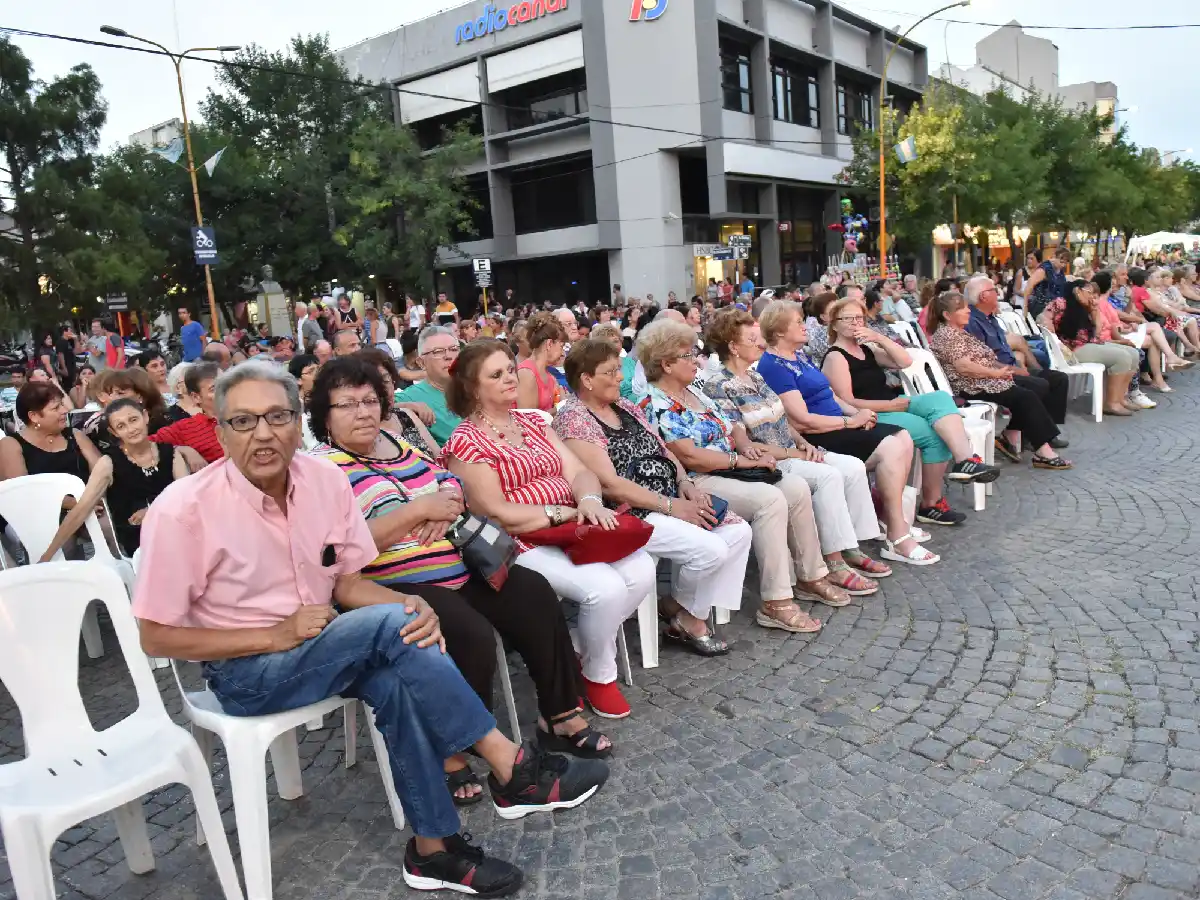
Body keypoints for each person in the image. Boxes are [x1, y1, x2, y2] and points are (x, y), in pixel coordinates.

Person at [132, 360, 607, 896]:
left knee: (397, 667)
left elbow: (350, 583)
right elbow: (156, 637)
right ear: (219, 430)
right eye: (243, 421)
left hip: (323, 644)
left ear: (297, 422)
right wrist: (274, 635)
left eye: (276, 417)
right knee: (391, 625)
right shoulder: (183, 509)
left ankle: (434, 850)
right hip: (246, 671)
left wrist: (410, 606)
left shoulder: (322, 481)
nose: (262, 433)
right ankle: (510, 766)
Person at [310, 357, 614, 787]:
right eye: (346, 404)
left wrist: (445, 504)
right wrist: (416, 511)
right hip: (393, 582)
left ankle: (559, 715)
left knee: (532, 591)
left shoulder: (395, 444)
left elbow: (446, 479)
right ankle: (453, 744)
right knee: (466, 631)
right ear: (324, 414)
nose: (362, 412)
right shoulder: (321, 469)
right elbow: (337, 550)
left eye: (368, 401)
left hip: (459, 562)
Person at [442, 341, 656, 720]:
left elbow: (579, 471)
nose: (510, 377)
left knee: (641, 571)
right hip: (520, 540)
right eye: (496, 374)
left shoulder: (534, 421)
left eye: (510, 368)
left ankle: (578, 647)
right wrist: (559, 512)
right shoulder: (466, 442)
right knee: (603, 589)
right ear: (472, 388)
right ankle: (598, 675)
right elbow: (496, 512)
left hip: (574, 524)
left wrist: (589, 500)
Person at [636, 318, 852, 632]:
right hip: (695, 480)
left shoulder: (693, 391)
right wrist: (739, 460)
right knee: (769, 499)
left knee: (795, 487)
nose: (697, 359)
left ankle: (810, 575)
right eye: (688, 355)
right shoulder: (654, 402)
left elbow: (732, 424)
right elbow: (688, 455)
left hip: (728, 467)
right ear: (666, 364)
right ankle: (776, 601)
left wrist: (746, 446)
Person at [555, 339, 753, 655]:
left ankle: (683, 612)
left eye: (619, 369)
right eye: (610, 372)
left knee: (739, 531)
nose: (620, 377)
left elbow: (663, 450)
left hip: (669, 495)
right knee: (712, 549)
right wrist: (673, 506)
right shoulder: (575, 417)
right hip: (630, 511)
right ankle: (691, 622)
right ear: (586, 380)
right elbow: (609, 484)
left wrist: (684, 481)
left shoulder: (626, 406)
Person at [702, 309, 893, 594]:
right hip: (770, 459)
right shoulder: (720, 385)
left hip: (792, 449)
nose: (760, 344)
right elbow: (743, 442)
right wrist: (795, 454)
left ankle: (850, 545)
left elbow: (781, 417)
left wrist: (802, 441)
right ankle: (835, 560)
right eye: (752, 339)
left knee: (852, 467)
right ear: (733, 346)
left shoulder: (755, 378)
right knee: (827, 476)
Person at [755, 300, 937, 566]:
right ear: (780, 331)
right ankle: (897, 534)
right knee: (893, 445)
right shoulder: (773, 366)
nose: (805, 326)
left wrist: (854, 413)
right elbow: (802, 420)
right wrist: (850, 422)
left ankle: (890, 519)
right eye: (798, 322)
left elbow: (829, 394)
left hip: (836, 423)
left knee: (902, 438)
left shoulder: (798, 356)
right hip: (820, 433)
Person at [822, 297, 1000, 526]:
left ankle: (965, 460)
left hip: (894, 401)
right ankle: (931, 504)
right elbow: (847, 402)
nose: (855, 322)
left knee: (940, 398)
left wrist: (879, 337)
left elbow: (904, 361)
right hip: (872, 413)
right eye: (848, 318)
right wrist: (891, 406)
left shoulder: (866, 348)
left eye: (859, 317)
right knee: (932, 433)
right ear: (834, 324)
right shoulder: (836, 357)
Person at [40, 398, 205, 557]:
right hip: (139, 539)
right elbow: (82, 508)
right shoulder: (108, 463)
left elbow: (184, 498)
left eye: (134, 420)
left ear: (145, 417)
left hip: (176, 528)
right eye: (121, 425)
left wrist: (153, 510)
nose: (131, 428)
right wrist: (47, 555)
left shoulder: (170, 453)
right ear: (114, 432)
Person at [927, 291, 1072, 471]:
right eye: (961, 308)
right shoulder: (948, 335)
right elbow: (964, 367)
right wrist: (995, 374)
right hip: (971, 385)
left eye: (965, 306)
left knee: (1038, 385)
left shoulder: (959, 332)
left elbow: (984, 358)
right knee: (1026, 396)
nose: (967, 311)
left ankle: (1016, 433)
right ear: (947, 315)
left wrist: (1005, 370)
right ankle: (1043, 451)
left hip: (984, 379)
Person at [963, 277, 1069, 440]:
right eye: (993, 290)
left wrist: (1019, 362)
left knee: (1059, 379)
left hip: (1011, 366)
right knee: (1039, 385)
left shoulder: (989, 318)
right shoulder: (972, 321)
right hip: (997, 373)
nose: (998, 293)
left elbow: (1006, 346)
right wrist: (1013, 368)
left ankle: (1045, 431)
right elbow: (983, 358)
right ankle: (1036, 433)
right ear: (983, 296)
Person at [1041, 279, 1141, 417]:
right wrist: (1051, 331)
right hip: (1073, 349)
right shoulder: (1061, 302)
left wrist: (1094, 311)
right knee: (1122, 357)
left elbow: (1097, 333)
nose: (1092, 296)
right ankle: (1111, 403)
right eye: (1089, 292)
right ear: (1077, 291)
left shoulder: (1086, 307)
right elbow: (1043, 317)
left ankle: (1120, 398)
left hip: (1088, 343)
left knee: (1133, 353)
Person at [0, 381, 99, 481]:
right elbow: (20, 492)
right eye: (56, 408)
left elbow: (102, 473)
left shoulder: (75, 435)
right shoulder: (11, 445)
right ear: (34, 416)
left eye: (62, 404)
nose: (65, 410)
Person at [396, 326, 463, 447]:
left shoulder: (477, 387)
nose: (448, 356)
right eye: (438, 351)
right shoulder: (411, 397)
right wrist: (405, 406)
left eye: (454, 349)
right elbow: (378, 410)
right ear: (421, 363)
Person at [150, 361, 223, 464]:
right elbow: (143, 445)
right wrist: (179, 449)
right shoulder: (186, 428)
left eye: (227, 383)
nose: (225, 390)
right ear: (196, 397)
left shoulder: (250, 410)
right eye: (214, 388)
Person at [516, 312, 566, 413]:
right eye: (561, 346)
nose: (562, 353)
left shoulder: (551, 377)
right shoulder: (526, 374)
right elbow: (528, 421)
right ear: (549, 344)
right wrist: (561, 408)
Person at [1023, 248, 1069, 317]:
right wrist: (1025, 308)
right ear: (1054, 257)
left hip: (1054, 310)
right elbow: (1029, 285)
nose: (1063, 265)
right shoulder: (1044, 269)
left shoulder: (1059, 269)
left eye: (1065, 263)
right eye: (1061, 262)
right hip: (1041, 310)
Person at [803, 292, 838, 365]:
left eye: (840, 308)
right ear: (823, 317)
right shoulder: (820, 335)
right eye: (834, 311)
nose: (839, 313)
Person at [56, 325, 81, 390]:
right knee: (68, 386)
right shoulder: (61, 341)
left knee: (73, 384)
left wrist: (76, 339)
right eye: (70, 330)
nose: (71, 332)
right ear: (65, 332)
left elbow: (76, 351)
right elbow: (60, 355)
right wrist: (64, 368)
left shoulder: (69, 342)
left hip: (72, 366)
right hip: (67, 367)